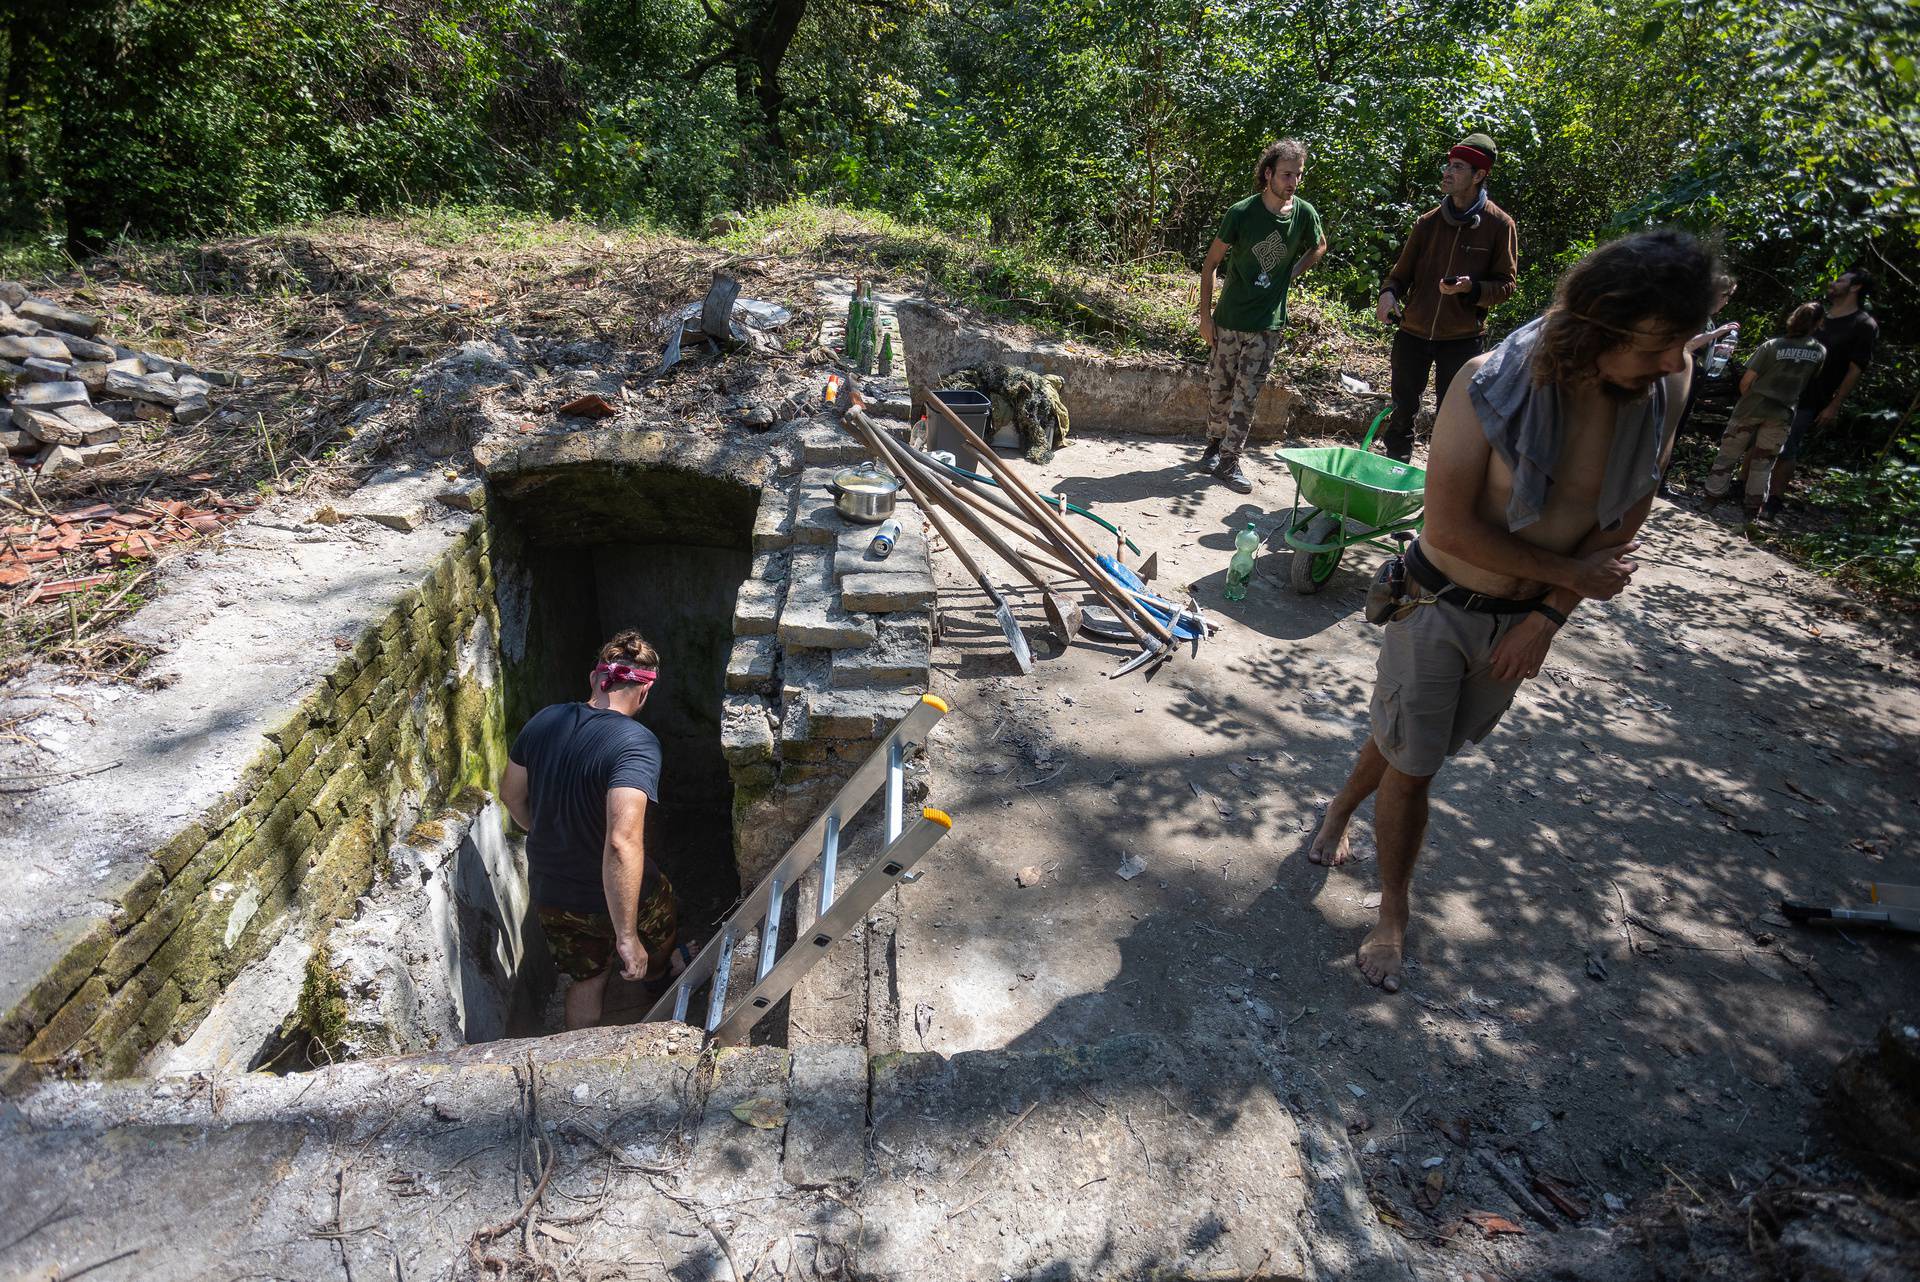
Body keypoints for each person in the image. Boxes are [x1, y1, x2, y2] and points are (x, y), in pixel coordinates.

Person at [1309, 230, 1713, 993]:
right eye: (1660, 344)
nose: (1672, 361)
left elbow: (1628, 510)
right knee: (1415, 770)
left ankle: (1334, 811)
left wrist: (1548, 616)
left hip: (1523, 622)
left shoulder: (1669, 376)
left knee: (1407, 746)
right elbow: (1450, 528)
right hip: (1435, 604)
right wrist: (1572, 578)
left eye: (1679, 344)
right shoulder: (1486, 383)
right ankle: (1393, 912)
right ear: (1600, 328)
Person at [498, 630, 679, 1030]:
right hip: (618, 896)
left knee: (586, 980)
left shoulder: (544, 721)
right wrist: (626, 936)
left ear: (594, 679)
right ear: (644, 693)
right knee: (660, 926)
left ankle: (576, 1063)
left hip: (555, 895)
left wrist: (547, 833)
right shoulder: (636, 744)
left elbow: (511, 796)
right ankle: (656, 977)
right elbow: (621, 841)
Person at [1374, 132, 1520, 461]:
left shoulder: (1500, 226)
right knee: (1401, 413)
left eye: (1457, 167)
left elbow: (1507, 285)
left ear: (1479, 175)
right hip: (1412, 332)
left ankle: (1439, 495)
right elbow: (1399, 275)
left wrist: (1472, 288)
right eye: (1448, 165)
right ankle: (1391, 485)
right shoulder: (1427, 223)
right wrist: (1387, 294)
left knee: (1451, 421)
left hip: (1462, 340)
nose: (1447, 172)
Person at [1197, 138, 1328, 494]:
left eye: (1298, 175)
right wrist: (1205, 317)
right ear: (1268, 174)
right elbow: (1210, 264)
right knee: (1219, 388)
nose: (1293, 182)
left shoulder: (1303, 213)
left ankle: (1229, 460)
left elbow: (1319, 245)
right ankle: (1213, 445)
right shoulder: (1242, 213)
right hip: (1230, 317)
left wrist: (1292, 272)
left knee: (1248, 393)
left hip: (1267, 323)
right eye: (1286, 174)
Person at [1768, 267, 1879, 511]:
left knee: (1787, 445)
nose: (1833, 283)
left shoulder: (1863, 324)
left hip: (1812, 397)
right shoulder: (1819, 316)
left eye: (1840, 280)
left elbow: (1855, 369)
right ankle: (1744, 486)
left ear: (1855, 287)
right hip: (1780, 389)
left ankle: (1774, 499)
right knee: (1760, 436)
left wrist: (1834, 404)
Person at [1703, 302, 1826, 518]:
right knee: (1764, 464)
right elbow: (1811, 381)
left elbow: (1747, 380)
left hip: (1751, 407)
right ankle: (1752, 511)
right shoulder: (1819, 352)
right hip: (1782, 413)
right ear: (1818, 323)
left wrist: (1748, 398)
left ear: (1794, 318)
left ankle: (1710, 500)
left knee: (1728, 456)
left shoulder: (1773, 346)